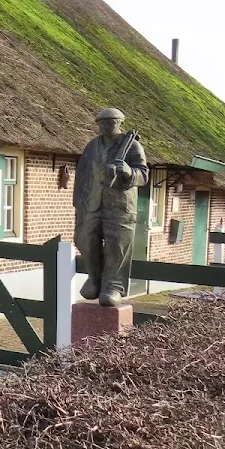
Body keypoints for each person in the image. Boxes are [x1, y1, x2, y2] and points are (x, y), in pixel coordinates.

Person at [73, 108, 149, 307]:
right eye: (103, 122)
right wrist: (79, 203)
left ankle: (113, 286)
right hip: (93, 203)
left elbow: (143, 175)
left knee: (117, 244)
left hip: (120, 204)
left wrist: (128, 172)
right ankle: (94, 278)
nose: (106, 125)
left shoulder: (132, 146)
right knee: (84, 238)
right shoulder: (92, 147)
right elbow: (82, 175)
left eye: (111, 122)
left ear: (119, 123)